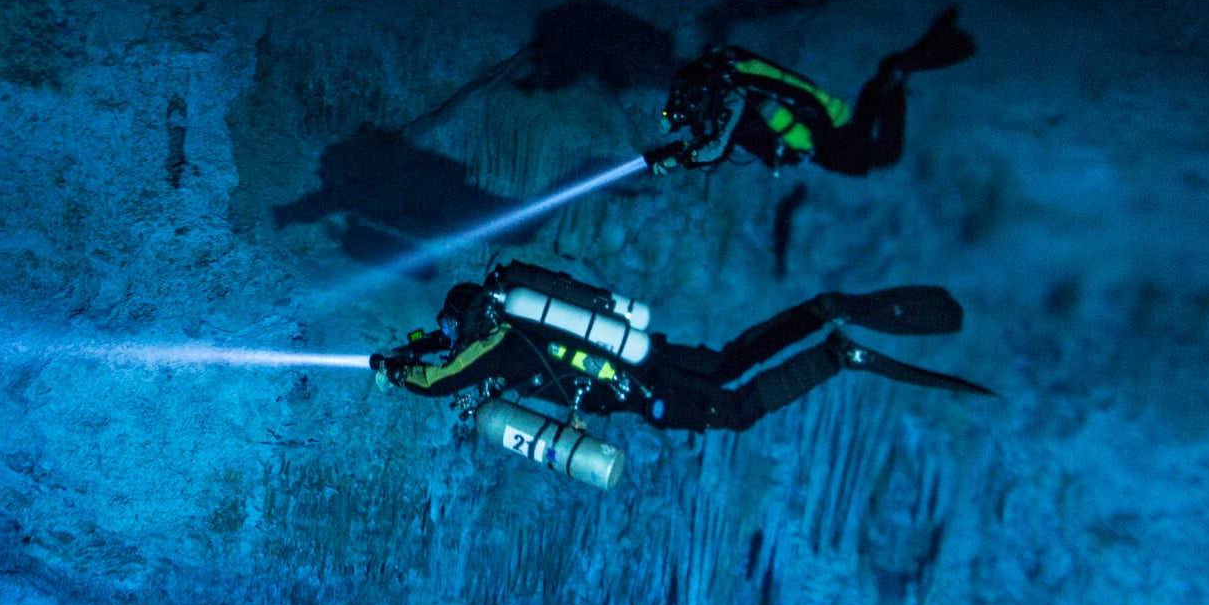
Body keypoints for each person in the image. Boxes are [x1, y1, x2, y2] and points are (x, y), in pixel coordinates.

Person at [370, 261, 990, 433]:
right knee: (725, 361)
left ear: (470, 322)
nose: (453, 342)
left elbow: (442, 380)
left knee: (738, 411)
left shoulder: (497, 343)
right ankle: (815, 313)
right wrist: (417, 345)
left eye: (455, 332)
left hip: (633, 389)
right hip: (640, 352)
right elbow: (445, 349)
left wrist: (395, 373)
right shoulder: (519, 312)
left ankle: (836, 355)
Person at [644, 7, 975, 176]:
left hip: (824, 136)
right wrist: (671, 133)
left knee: (884, 157)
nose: (686, 113)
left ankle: (899, 72)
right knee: (875, 112)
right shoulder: (710, 77)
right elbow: (687, 118)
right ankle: (896, 72)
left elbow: (714, 150)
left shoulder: (731, 96)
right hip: (822, 122)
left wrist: (674, 157)